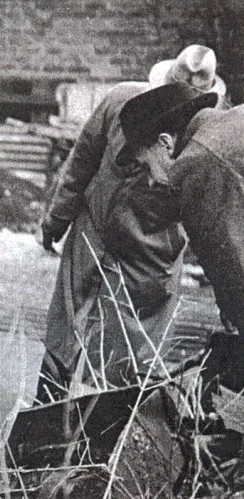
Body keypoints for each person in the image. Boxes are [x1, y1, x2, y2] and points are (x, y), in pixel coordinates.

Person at [36, 46, 230, 403]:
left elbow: (217, 232)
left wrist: (229, 301)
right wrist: (56, 220)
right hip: (93, 232)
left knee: (128, 348)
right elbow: (82, 161)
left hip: (152, 255)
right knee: (66, 328)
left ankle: (104, 433)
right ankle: (45, 412)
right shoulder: (120, 101)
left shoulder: (209, 146)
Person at [117, 84, 242, 335]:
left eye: (146, 166)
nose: (151, 179)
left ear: (166, 143)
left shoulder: (199, 162)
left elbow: (234, 263)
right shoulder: (232, 122)